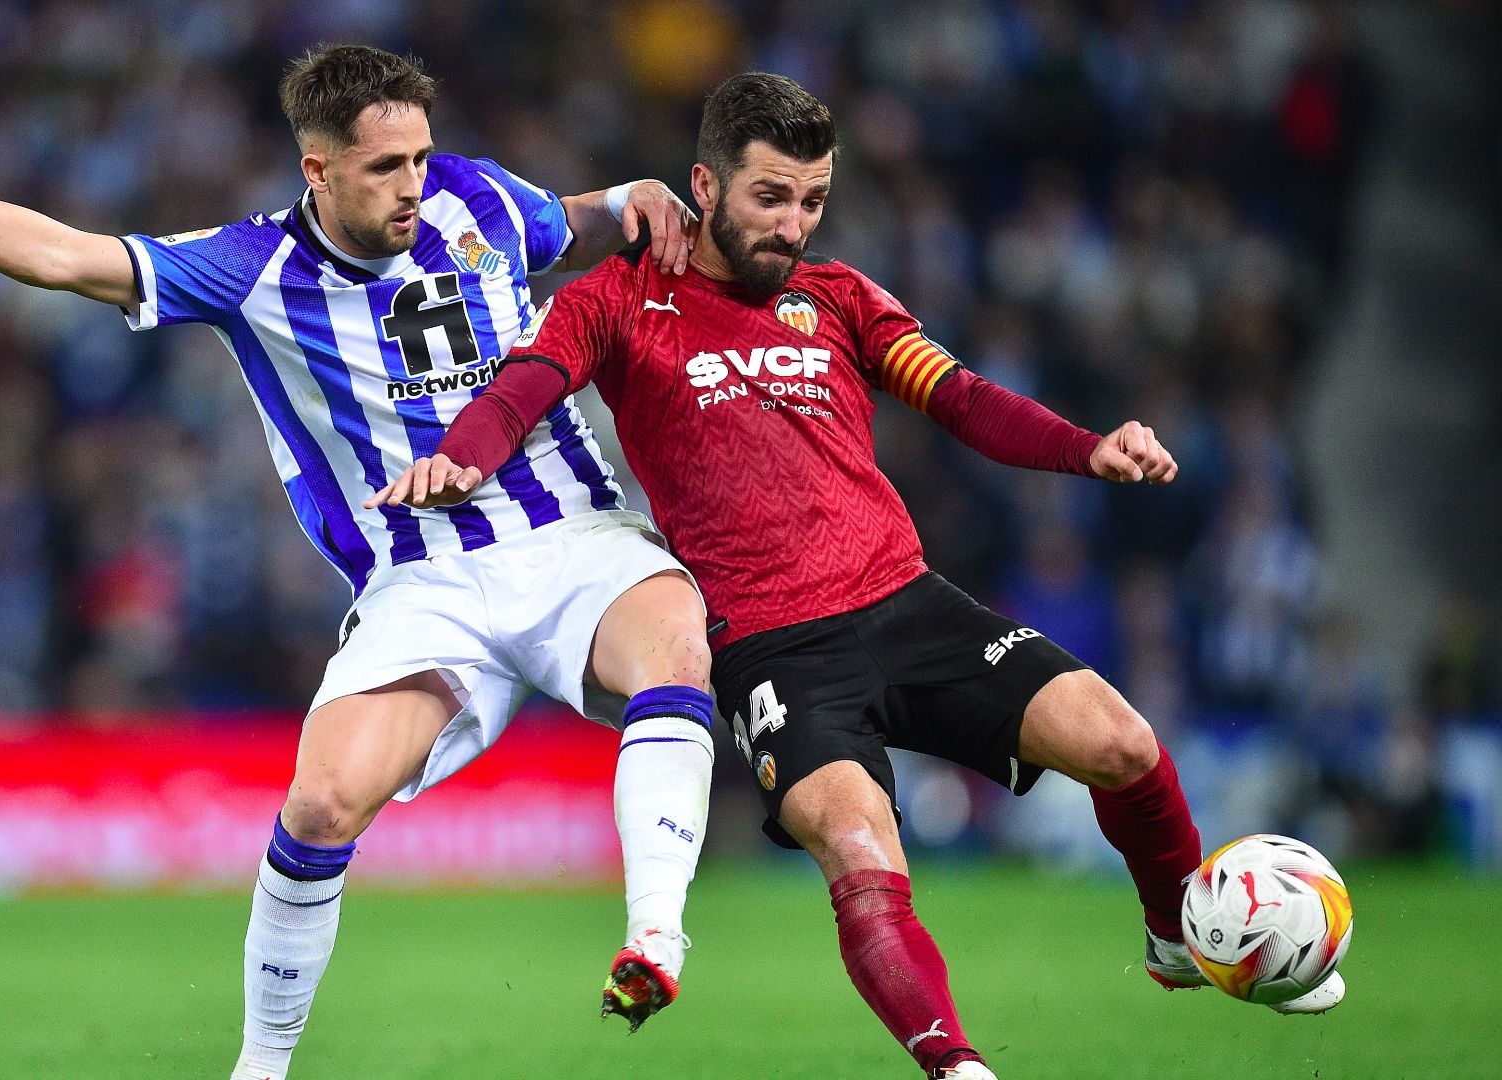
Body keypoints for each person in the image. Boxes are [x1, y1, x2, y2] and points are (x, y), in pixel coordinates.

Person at [0, 44, 717, 1079]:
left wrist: (637, 190)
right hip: (423, 589)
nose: (415, 186)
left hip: (575, 537)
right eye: (385, 168)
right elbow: (58, 256)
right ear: (318, 171)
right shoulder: (250, 268)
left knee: (675, 647)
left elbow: (579, 221)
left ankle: (655, 936)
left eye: (421, 158)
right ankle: (259, 1069)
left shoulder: (475, 198)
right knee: (316, 809)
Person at [371, 72, 1343, 1080]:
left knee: (1123, 742)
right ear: (705, 185)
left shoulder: (838, 299)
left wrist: (1084, 448)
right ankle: (957, 1067)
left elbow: (961, 398)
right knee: (862, 847)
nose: (792, 224)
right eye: (770, 198)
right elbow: (527, 380)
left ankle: (1177, 934)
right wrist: (464, 457)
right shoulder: (623, 296)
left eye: (812, 201)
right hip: (772, 650)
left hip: (909, 605)